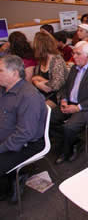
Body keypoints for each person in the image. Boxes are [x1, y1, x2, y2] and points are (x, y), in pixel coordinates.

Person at [50, 41, 88, 164]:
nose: (74, 56)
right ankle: (74, 140)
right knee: (48, 118)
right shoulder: (74, 68)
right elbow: (67, 87)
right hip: (71, 102)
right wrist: (64, 99)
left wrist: (78, 108)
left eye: (78, 53)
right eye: (73, 53)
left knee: (69, 126)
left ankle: (67, 151)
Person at [0, 55, 47, 202]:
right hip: (9, 136)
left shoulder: (29, 96)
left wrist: (1, 148)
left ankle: (9, 186)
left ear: (14, 73)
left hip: (28, 144)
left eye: (0, 71)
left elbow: (25, 134)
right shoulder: (4, 90)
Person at [32, 32, 68, 107]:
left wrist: (39, 80)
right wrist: (37, 82)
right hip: (42, 94)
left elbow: (55, 86)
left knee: (38, 110)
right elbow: (34, 78)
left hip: (57, 96)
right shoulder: (41, 60)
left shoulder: (57, 60)